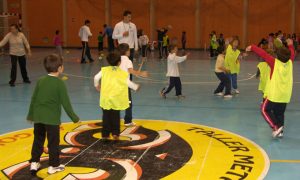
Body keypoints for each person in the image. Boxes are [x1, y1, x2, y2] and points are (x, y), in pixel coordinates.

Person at [27, 54, 80, 175]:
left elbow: (34, 98)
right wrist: (75, 118)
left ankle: (34, 162)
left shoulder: (40, 80)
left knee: (38, 140)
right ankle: (54, 166)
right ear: (60, 68)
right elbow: (66, 104)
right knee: (53, 142)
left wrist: (31, 115)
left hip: (38, 118)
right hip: (51, 119)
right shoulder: (60, 83)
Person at [246, 38, 295, 138]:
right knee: (279, 114)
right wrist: (290, 45)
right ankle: (280, 132)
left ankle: (276, 126)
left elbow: (263, 54)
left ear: (277, 56)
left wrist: (252, 47)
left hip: (274, 95)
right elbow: (292, 52)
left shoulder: (274, 63)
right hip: (285, 96)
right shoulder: (290, 62)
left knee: (264, 109)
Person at [94, 52, 140, 140]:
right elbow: (128, 83)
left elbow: (96, 78)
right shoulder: (122, 73)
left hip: (106, 98)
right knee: (115, 116)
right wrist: (135, 87)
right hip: (116, 99)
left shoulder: (104, 70)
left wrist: (97, 86)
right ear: (119, 62)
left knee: (106, 116)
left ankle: (105, 134)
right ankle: (115, 133)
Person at [118, 43, 148, 126]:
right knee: (128, 104)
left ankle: (112, 120)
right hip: (125, 85)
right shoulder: (128, 60)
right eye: (128, 50)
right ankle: (128, 121)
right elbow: (131, 71)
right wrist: (141, 73)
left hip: (116, 85)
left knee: (116, 103)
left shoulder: (117, 60)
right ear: (127, 51)